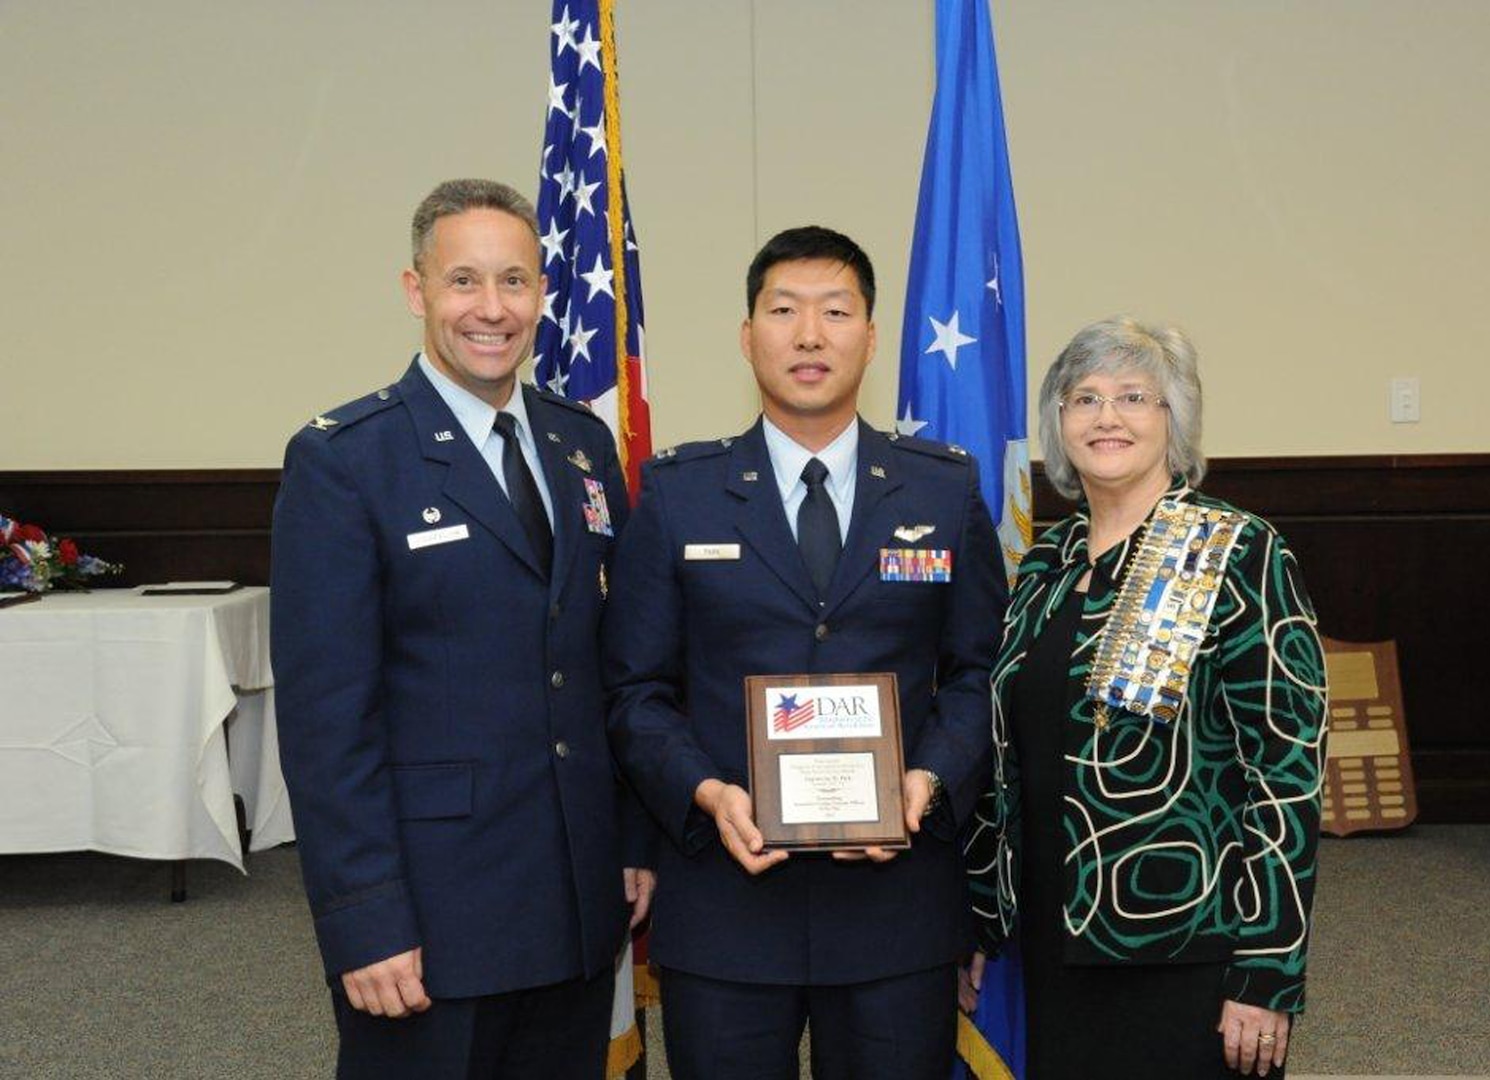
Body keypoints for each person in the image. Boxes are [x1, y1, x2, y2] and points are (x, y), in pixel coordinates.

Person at [270, 178, 653, 1079]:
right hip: (431, 918)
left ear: (543, 295)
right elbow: (328, 722)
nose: (492, 310)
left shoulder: (579, 445)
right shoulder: (346, 460)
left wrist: (630, 843)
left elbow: (612, 668)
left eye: (514, 282)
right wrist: (364, 916)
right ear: (417, 291)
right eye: (464, 282)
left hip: (573, 897)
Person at [602, 226, 1005, 1079]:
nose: (810, 335)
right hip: (727, 901)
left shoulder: (943, 486)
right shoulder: (678, 495)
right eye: (784, 311)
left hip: (897, 903)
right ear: (749, 337)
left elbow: (978, 672)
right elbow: (637, 689)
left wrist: (927, 782)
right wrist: (705, 793)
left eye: (835, 311)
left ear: (869, 332)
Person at [962, 317, 1328, 1078]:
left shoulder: (1234, 548)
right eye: (1083, 397)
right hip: (1051, 933)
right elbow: (1006, 755)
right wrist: (980, 915)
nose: (1107, 417)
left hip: (1185, 941)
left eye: (1135, 396)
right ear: (1058, 426)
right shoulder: (1044, 565)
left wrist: (1268, 969)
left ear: (1174, 419)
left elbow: (1287, 773)